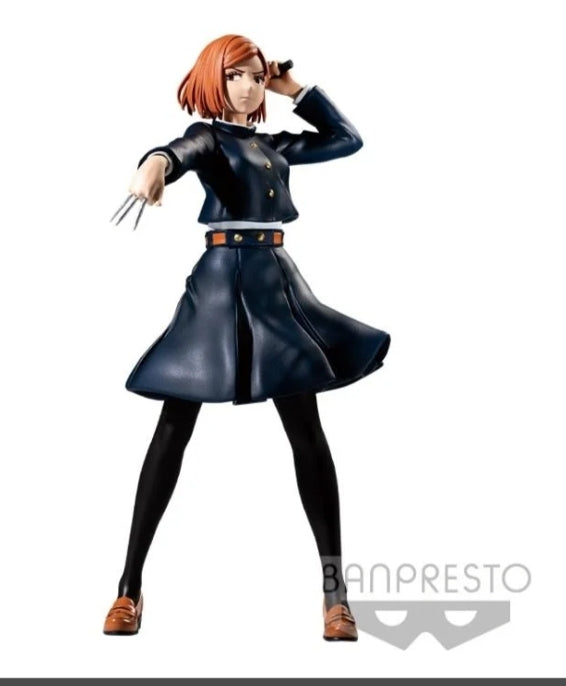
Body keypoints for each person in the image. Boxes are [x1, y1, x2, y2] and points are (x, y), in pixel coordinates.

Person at [103, 33, 391, 641]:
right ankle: (128, 587)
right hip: (216, 286)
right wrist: (153, 165)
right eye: (236, 75)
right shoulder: (209, 138)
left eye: (257, 76)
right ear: (214, 79)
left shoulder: (272, 144)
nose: (248, 86)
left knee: (306, 430)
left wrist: (295, 90)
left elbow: (347, 140)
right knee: (173, 426)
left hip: (275, 284)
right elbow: (177, 151)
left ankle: (335, 596)